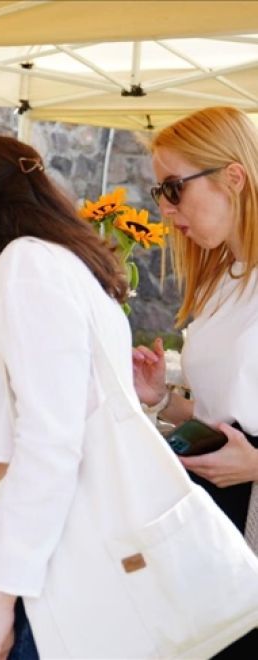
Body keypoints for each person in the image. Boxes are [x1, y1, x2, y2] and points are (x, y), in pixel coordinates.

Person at [0, 136, 132, 659]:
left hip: (31, 547)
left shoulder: (26, 265)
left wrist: (1, 605)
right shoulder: (65, 263)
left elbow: (49, 438)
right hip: (44, 530)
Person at [132, 106, 258, 655]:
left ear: (233, 177)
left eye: (174, 188)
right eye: (159, 192)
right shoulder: (226, 279)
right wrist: (164, 400)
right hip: (219, 513)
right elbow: (224, 412)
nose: (164, 208)